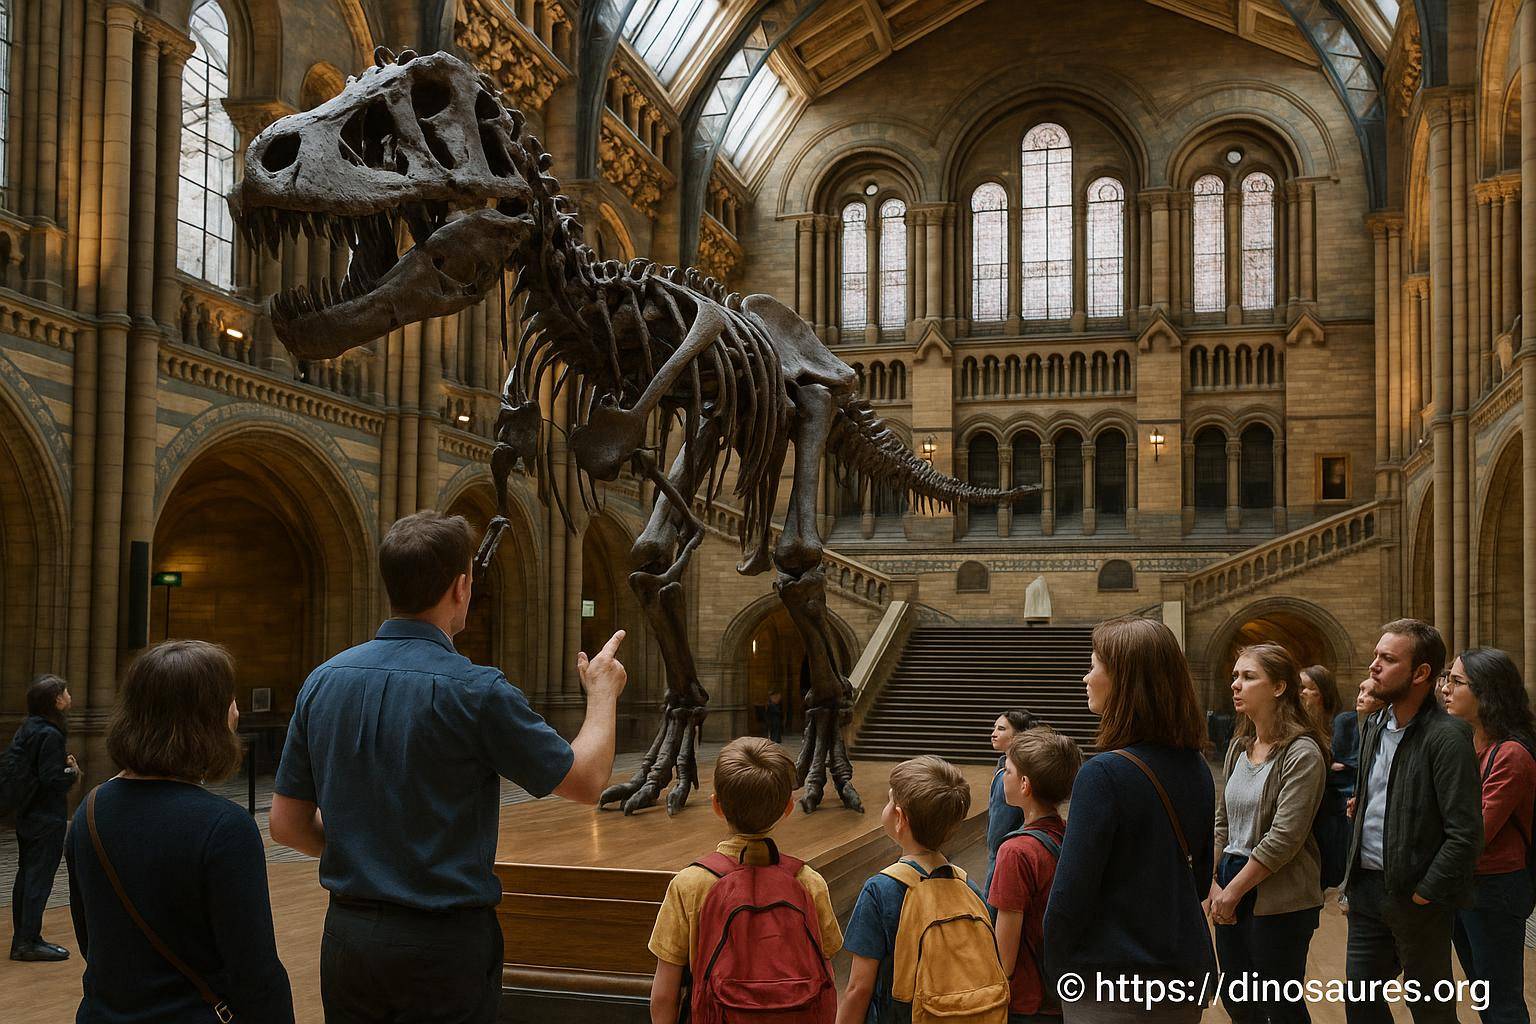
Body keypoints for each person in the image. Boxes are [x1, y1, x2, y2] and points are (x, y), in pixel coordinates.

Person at [269, 510, 628, 1024]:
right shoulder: (478, 691)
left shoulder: (323, 680)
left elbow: (286, 825)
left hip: (349, 939)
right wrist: (602, 692)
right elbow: (587, 780)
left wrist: (368, 851)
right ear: (461, 587)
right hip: (442, 946)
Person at [66, 641, 294, 1022]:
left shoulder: (90, 809)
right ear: (204, 718)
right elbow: (255, 973)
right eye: (229, 699)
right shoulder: (225, 827)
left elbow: (90, 940)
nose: (236, 710)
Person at [1044, 615, 1215, 1024]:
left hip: (1111, 986)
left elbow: (1069, 897)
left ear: (1124, 680)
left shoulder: (1102, 774)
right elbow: (1198, 878)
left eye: (1093, 666)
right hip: (1181, 981)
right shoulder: (1197, 767)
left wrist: (1055, 975)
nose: (1086, 678)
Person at [1342, 619, 1482, 1024]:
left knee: (1430, 1009)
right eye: (1376, 655)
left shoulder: (1448, 736)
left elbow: (1465, 832)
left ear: (1420, 673)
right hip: (1367, 888)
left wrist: (1426, 892)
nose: (1374, 666)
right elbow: (1387, 791)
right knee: (1361, 1002)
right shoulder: (1373, 725)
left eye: (1388, 659)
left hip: (1416, 895)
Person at [647, 737, 842, 1023]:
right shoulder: (809, 882)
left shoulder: (690, 884)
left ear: (717, 805)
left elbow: (664, 995)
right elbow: (826, 978)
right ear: (788, 808)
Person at [1207, 644, 1329, 1024]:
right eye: (1235, 677)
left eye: (1248, 677)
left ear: (1278, 687)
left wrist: (1233, 891)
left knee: (1279, 1005)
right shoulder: (1238, 747)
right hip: (1230, 877)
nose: (1235, 685)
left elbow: (1284, 838)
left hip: (1279, 892)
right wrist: (1212, 882)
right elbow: (1222, 823)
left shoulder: (1302, 752)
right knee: (1238, 1000)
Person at [839, 756, 998, 1024]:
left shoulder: (879, 890)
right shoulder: (968, 886)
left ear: (900, 818)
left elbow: (858, 988)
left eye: (890, 800)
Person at [1442, 648, 1535, 1024]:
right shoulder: (1466, 744)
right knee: (1485, 996)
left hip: (1495, 888)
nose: (1445, 689)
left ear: (1487, 691)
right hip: (1464, 884)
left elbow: (1475, 832)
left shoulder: (1510, 754)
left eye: (1456, 681)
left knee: (1501, 1002)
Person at [989, 728, 1082, 1024]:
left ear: (1025, 784)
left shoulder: (1015, 852)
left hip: (1028, 1001)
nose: (1003, 775)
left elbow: (1005, 954)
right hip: (1067, 991)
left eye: (1008, 770)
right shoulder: (1072, 835)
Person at [8, 674, 80, 961]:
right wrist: (71, 771)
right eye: (66, 692)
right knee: (38, 878)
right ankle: (27, 942)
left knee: (26, 876)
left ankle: (23, 938)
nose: (69, 696)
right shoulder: (50, 734)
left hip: (26, 813)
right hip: (45, 817)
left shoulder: (29, 727)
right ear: (56, 700)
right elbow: (52, 779)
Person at [986, 708, 1040, 895]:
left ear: (1018, 736)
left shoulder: (1008, 778)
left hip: (1005, 854)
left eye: (1001, 729)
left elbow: (997, 832)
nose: (993, 734)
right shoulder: (1014, 766)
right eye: (994, 728)